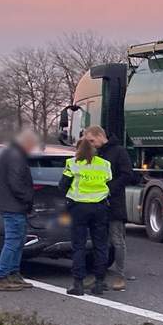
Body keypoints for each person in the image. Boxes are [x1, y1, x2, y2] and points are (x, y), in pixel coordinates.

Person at [83, 125, 139, 291]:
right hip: (97, 203)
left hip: (114, 203)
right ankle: (97, 275)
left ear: (100, 135)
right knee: (99, 241)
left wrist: (109, 189)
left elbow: (127, 174)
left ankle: (120, 276)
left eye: (92, 140)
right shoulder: (95, 153)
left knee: (117, 241)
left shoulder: (118, 151)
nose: (91, 144)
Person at [59, 135, 113, 296]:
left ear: (78, 150)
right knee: (101, 246)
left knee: (79, 246)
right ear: (94, 150)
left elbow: (63, 185)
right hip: (100, 207)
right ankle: (99, 282)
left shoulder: (72, 163)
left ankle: (78, 284)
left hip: (79, 208)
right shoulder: (105, 164)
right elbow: (109, 181)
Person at [0, 127, 40, 292]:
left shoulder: (12, 152)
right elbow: (16, 182)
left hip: (12, 204)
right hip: (13, 205)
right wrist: (27, 199)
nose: (33, 149)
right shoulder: (15, 155)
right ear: (26, 142)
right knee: (12, 241)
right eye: (32, 145)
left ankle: (13, 273)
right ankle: (2, 277)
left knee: (18, 241)